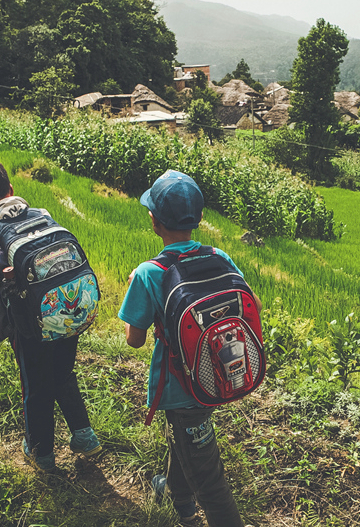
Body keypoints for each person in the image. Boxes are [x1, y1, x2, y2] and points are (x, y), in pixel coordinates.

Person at [119, 170, 247, 527]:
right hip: (219, 372)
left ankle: (197, 511)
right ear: (200, 218)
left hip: (180, 388)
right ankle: (180, 503)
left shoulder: (149, 272)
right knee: (184, 442)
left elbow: (135, 339)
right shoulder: (218, 255)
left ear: (154, 221)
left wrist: (135, 287)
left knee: (211, 482)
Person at [0, 162, 101, 472]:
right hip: (68, 312)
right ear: (11, 190)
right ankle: (85, 436)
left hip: (29, 325)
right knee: (63, 373)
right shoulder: (43, 214)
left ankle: (41, 454)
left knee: (35, 385)